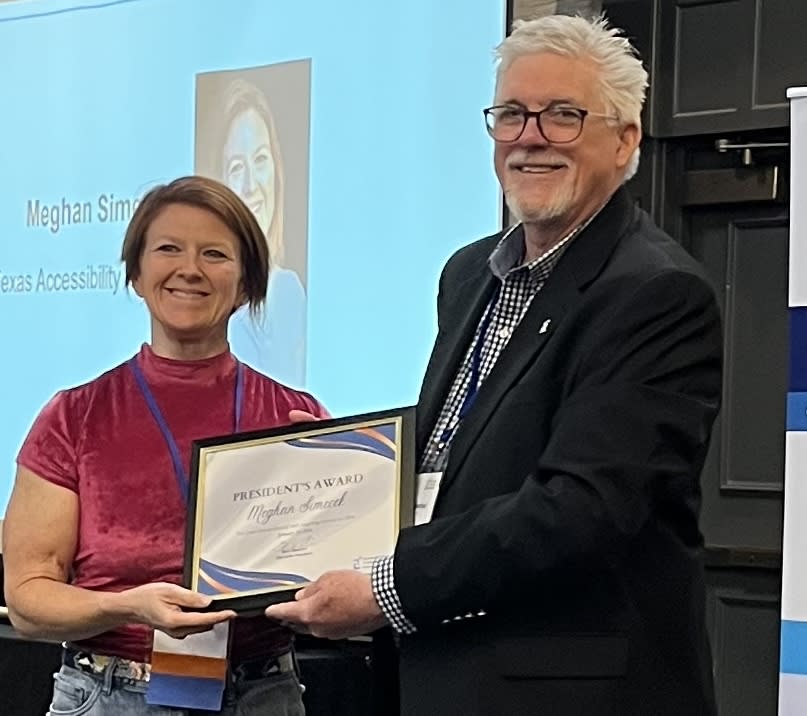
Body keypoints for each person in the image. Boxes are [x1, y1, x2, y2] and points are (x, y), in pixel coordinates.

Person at [267, 14, 722, 716]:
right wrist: (347, 461)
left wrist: (390, 589)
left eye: (562, 115)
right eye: (510, 113)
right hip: (441, 675)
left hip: (570, 693)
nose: (529, 136)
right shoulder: (468, 275)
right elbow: (475, 445)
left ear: (625, 138)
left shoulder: (653, 292)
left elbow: (583, 508)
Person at [3, 175, 328, 715]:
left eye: (215, 254)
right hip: (109, 696)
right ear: (136, 273)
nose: (190, 269)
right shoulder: (74, 416)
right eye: (168, 248)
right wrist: (129, 606)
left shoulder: (294, 417)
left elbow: (339, 575)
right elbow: (29, 601)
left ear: (247, 283)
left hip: (262, 694)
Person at [219, 78, 307, 387]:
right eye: (236, 168)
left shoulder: (285, 291)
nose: (250, 186)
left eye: (259, 160)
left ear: (276, 169)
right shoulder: (209, 303)